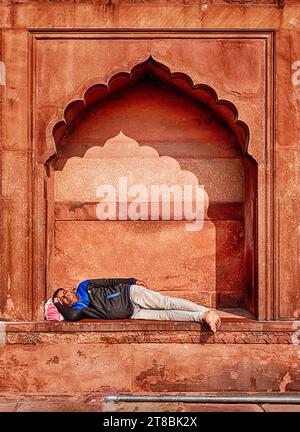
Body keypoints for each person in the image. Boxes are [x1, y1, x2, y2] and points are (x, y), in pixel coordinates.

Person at [52, 277, 221, 333]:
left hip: (130, 293)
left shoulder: (84, 286)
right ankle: (202, 316)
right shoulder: (78, 310)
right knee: (165, 315)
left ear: (70, 289)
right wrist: (57, 304)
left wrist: (132, 281)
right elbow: (72, 317)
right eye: (62, 298)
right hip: (132, 313)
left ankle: (206, 311)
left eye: (64, 291)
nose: (66, 295)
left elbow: (109, 281)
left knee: (166, 302)